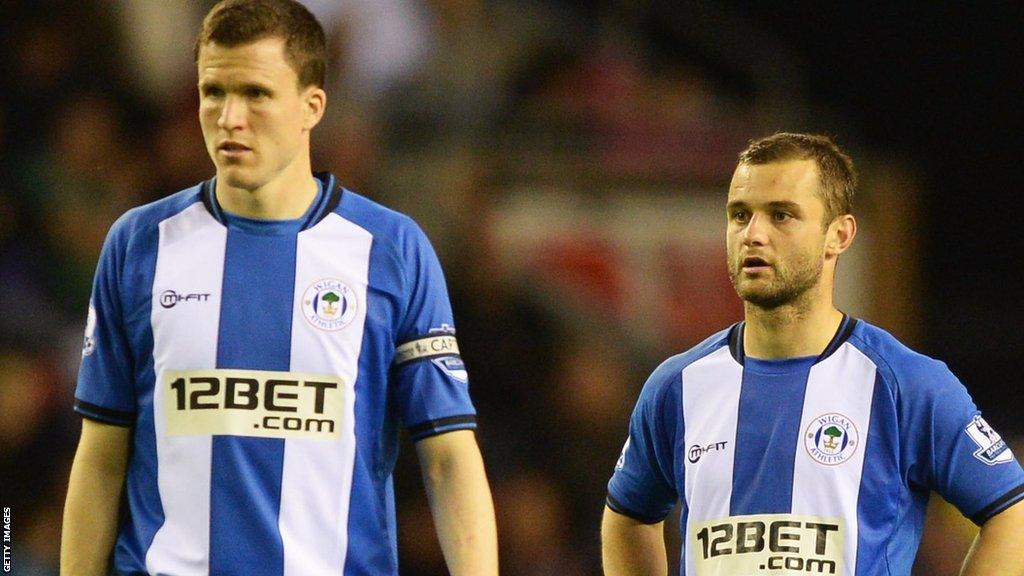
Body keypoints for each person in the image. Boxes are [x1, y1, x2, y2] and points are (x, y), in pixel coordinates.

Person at [60, 1, 498, 575]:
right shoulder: (139, 245)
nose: (228, 117)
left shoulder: (391, 252)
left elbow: (447, 460)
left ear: (311, 105)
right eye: (212, 92)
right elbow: (100, 457)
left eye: (256, 94)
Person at [601, 133, 1024, 576]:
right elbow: (629, 514)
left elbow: (1011, 510)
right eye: (740, 215)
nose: (753, 234)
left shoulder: (907, 385)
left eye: (781, 215)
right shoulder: (677, 386)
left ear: (838, 235)